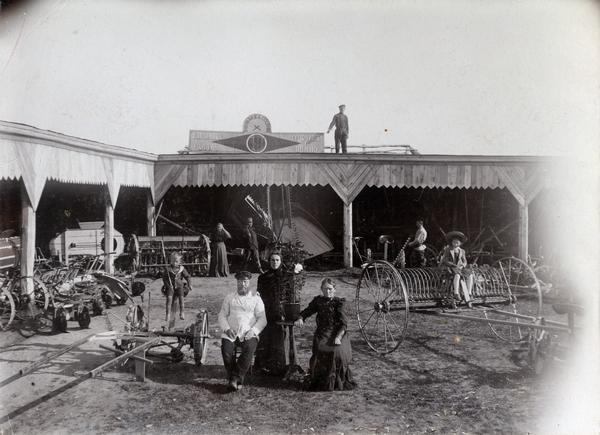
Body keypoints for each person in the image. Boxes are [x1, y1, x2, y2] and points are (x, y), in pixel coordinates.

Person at [294, 278, 356, 391]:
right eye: (325, 289)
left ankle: (337, 381)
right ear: (321, 289)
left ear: (334, 290)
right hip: (322, 332)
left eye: (330, 289)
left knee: (337, 352)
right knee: (320, 350)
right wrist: (301, 317)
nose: (327, 291)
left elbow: (344, 324)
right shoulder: (318, 301)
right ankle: (322, 381)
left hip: (338, 332)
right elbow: (308, 311)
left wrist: (338, 337)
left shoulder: (339, 303)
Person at [218, 271, 267, 392]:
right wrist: (227, 329)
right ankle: (234, 378)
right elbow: (222, 315)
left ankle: (234, 379)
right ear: (237, 282)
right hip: (231, 333)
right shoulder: (229, 297)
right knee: (226, 351)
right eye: (240, 281)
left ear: (249, 282)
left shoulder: (256, 299)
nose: (242, 284)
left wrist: (253, 331)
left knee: (249, 349)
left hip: (248, 333)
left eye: (245, 281)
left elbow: (262, 319)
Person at [254, 251, 288, 376]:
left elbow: (290, 296)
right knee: (265, 337)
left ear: (281, 262)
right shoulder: (263, 277)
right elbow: (259, 294)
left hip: (280, 312)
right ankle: (263, 366)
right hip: (265, 311)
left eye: (277, 260)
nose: (274, 262)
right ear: (269, 262)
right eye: (272, 260)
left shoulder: (286, 277)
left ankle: (278, 367)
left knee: (278, 337)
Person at [440, 231, 474, 308]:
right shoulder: (448, 249)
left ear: (460, 243)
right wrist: (453, 265)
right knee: (457, 275)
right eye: (454, 242)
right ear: (451, 242)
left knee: (470, 275)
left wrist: (463, 265)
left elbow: (465, 261)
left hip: (459, 267)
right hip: (450, 267)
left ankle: (469, 293)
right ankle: (456, 293)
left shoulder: (462, 251)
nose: (455, 244)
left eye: (457, 242)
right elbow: (444, 260)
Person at [163, 252, 192, 328]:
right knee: (169, 299)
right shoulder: (168, 269)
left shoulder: (182, 269)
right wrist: (167, 285)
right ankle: (168, 314)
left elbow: (188, 277)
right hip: (171, 287)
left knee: (181, 299)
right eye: (172, 261)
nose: (174, 263)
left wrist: (189, 284)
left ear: (179, 262)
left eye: (176, 261)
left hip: (179, 286)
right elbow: (164, 278)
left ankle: (182, 312)